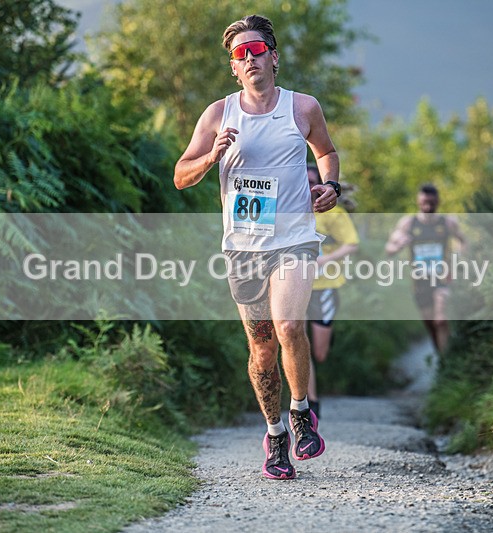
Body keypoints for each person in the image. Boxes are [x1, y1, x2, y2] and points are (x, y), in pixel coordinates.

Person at [174, 14, 340, 480]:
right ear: (233, 67)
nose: (249, 59)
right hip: (244, 247)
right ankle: (274, 435)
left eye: (257, 50)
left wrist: (331, 186)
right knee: (261, 347)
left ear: (274, 58)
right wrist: (212, 155)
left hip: (294, 239)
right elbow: (181, 176)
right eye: (240, 54)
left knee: (289, 325)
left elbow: (326, 152)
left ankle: (302, 412)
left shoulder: (303, 108)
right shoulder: (217, 115)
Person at [384, 184, 466, 354]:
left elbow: (463, 241)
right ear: (418, 201)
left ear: (438, 202)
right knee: (431, 324)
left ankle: (448, 361)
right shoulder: (408, 223)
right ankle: (443, 356)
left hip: (442, 277)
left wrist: (459, 261)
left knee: (440, 319)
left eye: (432, 202)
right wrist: (399, 245)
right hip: (420, 281)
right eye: (424, 202)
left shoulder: (447, 222)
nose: (428, 206)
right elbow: (389, 250)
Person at [306, 164, 359, 419]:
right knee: (296, 341)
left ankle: (325, 337)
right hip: (296, 286)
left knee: (319, 353)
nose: (307, 187)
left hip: (325, 287)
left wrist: (325, 260)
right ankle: (310, 404)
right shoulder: (287, 210)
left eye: (312, 182)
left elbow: (351, 244)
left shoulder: (332, 213)